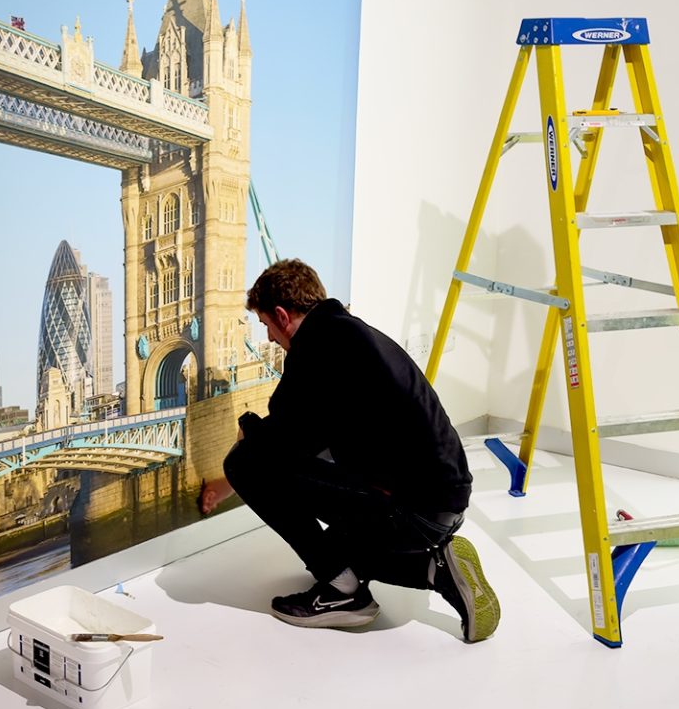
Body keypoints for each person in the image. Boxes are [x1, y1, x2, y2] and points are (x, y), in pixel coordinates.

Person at [198, 259, 501, 642]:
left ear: (281, 314)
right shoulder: (352, 334)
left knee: (245, 461)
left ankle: (343, 595)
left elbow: (281, 444)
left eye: (266, 326)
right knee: (335, 551)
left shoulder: (316, 349)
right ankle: (437, 568)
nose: (270, 339)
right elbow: (313, 437)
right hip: (446, 503)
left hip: (411, 510)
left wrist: (245, 442)